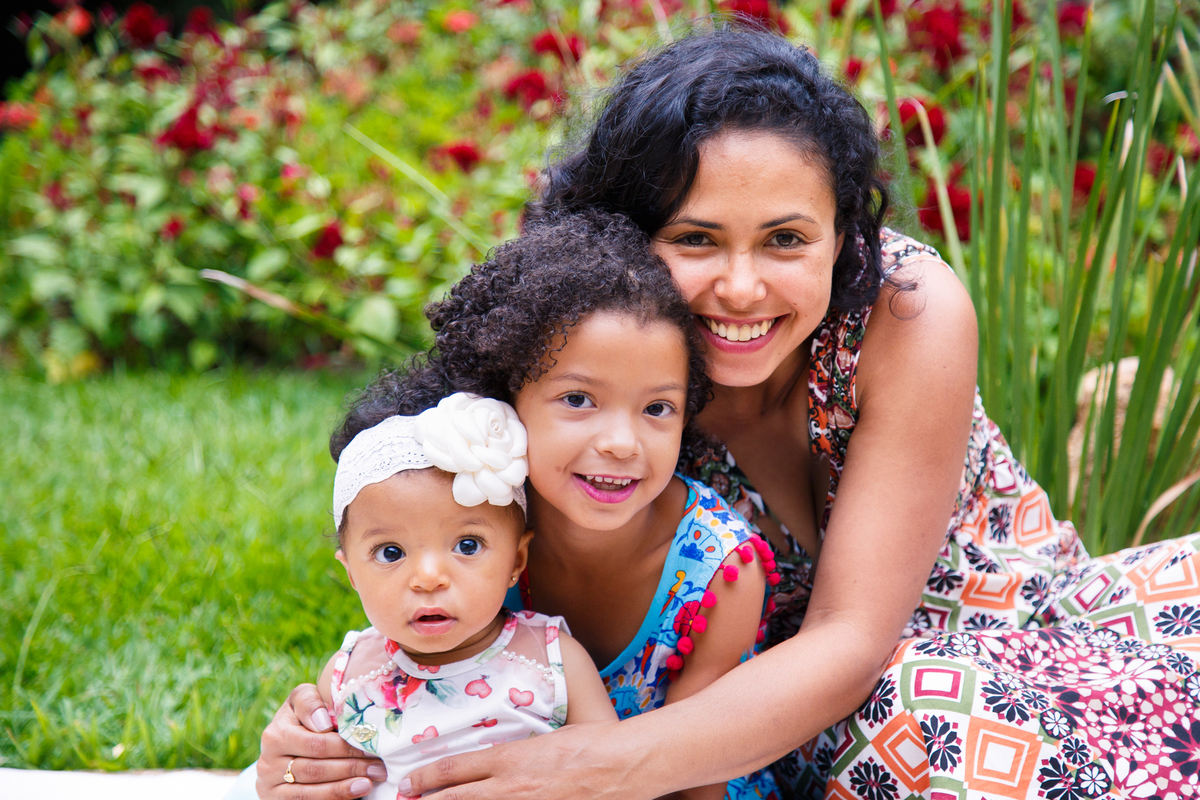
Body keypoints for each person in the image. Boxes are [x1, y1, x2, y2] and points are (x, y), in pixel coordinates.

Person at [255, 25, 1200, 800]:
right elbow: (426, 525)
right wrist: (320, 729)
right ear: (623, 236)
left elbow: (854, 640)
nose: (741, 289)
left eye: (787, 239)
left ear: (844, 237)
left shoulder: (907, 311)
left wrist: (600, 766)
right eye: (695, 238)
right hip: (732, 724)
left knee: (924, 717)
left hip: (1007, 639)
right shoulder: (580, 360)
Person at [317, 389, 617, 800]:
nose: (428, 578)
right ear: (351, 572)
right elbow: (323, 778)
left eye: (468, 546)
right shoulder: (348, 676)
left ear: (517, 559)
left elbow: (613, 773)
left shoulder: (551, 661)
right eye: (391, 553)